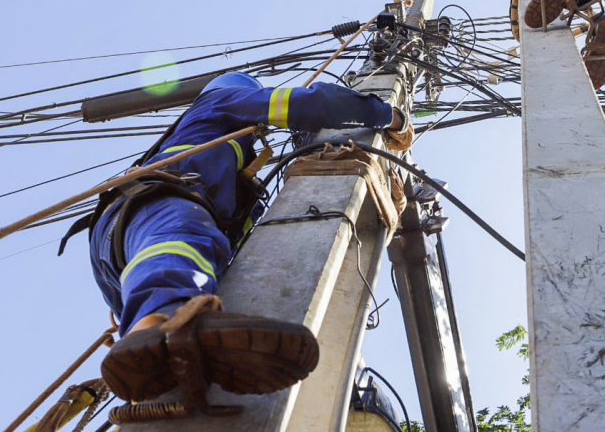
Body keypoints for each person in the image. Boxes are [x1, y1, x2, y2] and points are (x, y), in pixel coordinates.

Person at [61, 71, 412, 405]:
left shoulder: (230, 168)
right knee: (189, 238)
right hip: (157, 211)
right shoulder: (223, 101)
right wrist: (388, 116)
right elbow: (312, 104)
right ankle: (166, 322)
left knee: (195, 254)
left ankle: (154, 339)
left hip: (124, 252)